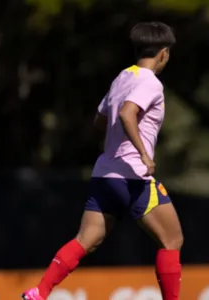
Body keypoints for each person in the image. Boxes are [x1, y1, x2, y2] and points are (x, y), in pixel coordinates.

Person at [22, 22, 183, 300]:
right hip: (133, 177)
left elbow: (101, 118)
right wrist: (144, 153)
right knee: (172, 240)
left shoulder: (122, 77)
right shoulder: (150, 82)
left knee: (86, 240)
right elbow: (126, 113)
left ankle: (40, 291)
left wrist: (113, 140)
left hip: (104, 175)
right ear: (163, 54)